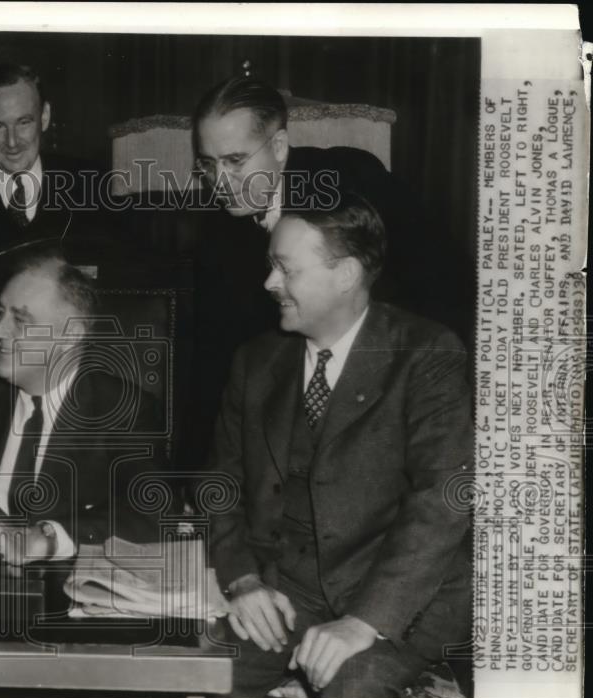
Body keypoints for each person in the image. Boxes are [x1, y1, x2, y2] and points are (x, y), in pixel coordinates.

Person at [208, 193, 472, 698]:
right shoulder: (255, 361)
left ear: (346, 274)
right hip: (286, 591)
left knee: (353, 690)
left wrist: (365, 622)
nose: (269, 283)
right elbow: (222, 483)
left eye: (286, 269)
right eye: (270, 266)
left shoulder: (425, 353)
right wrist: (241, 578)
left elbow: (443, 500)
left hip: (398, 602)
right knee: (195, 671)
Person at [185, 74, 471, 469]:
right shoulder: (218, 231)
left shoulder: (350, 181)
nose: (220, 182)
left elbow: (447, 282)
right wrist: (197, 472)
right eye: (208, 164)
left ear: (280, 146)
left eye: (235, 161)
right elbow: (213, 355)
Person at [0, 247, 168, 563]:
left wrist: (46, 538)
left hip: (61, 585)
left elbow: (153, 512)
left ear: (71, 334)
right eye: (0, 313)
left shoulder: (122, 409)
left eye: (20, 319)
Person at [0, 63, 112, 376]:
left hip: (70, 367)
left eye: (24, 122)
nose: (12, 142)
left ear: (45, 117)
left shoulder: (91, 183)